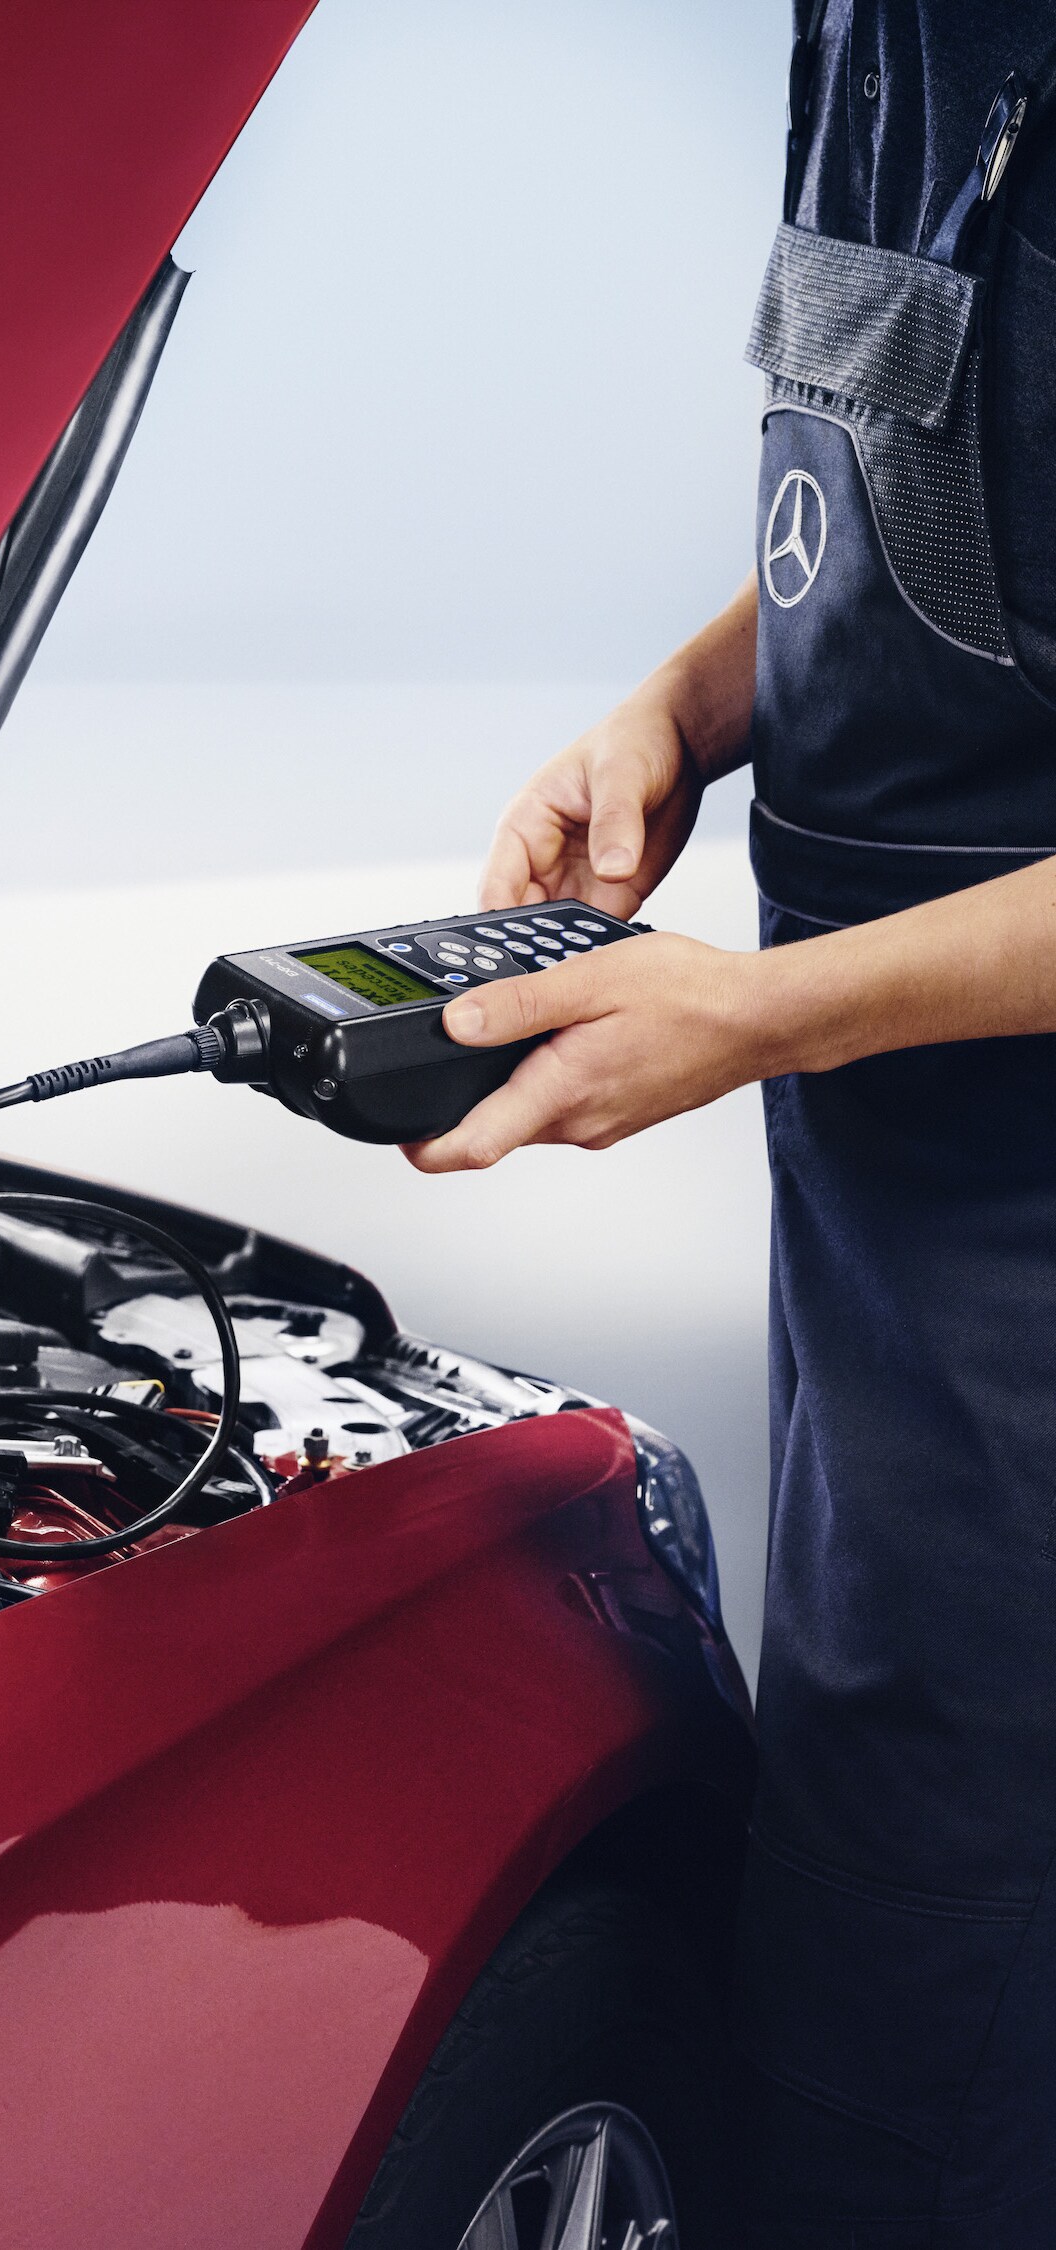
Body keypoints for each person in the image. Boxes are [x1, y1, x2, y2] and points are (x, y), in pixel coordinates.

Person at [409, 8, 1056, 2242]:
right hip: (879, 1156)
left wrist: (763, 1013)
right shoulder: (886, 30)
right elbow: (930, 507)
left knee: (934, 1952)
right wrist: (680, 712)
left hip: (1022, 1226)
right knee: (857, 1838)